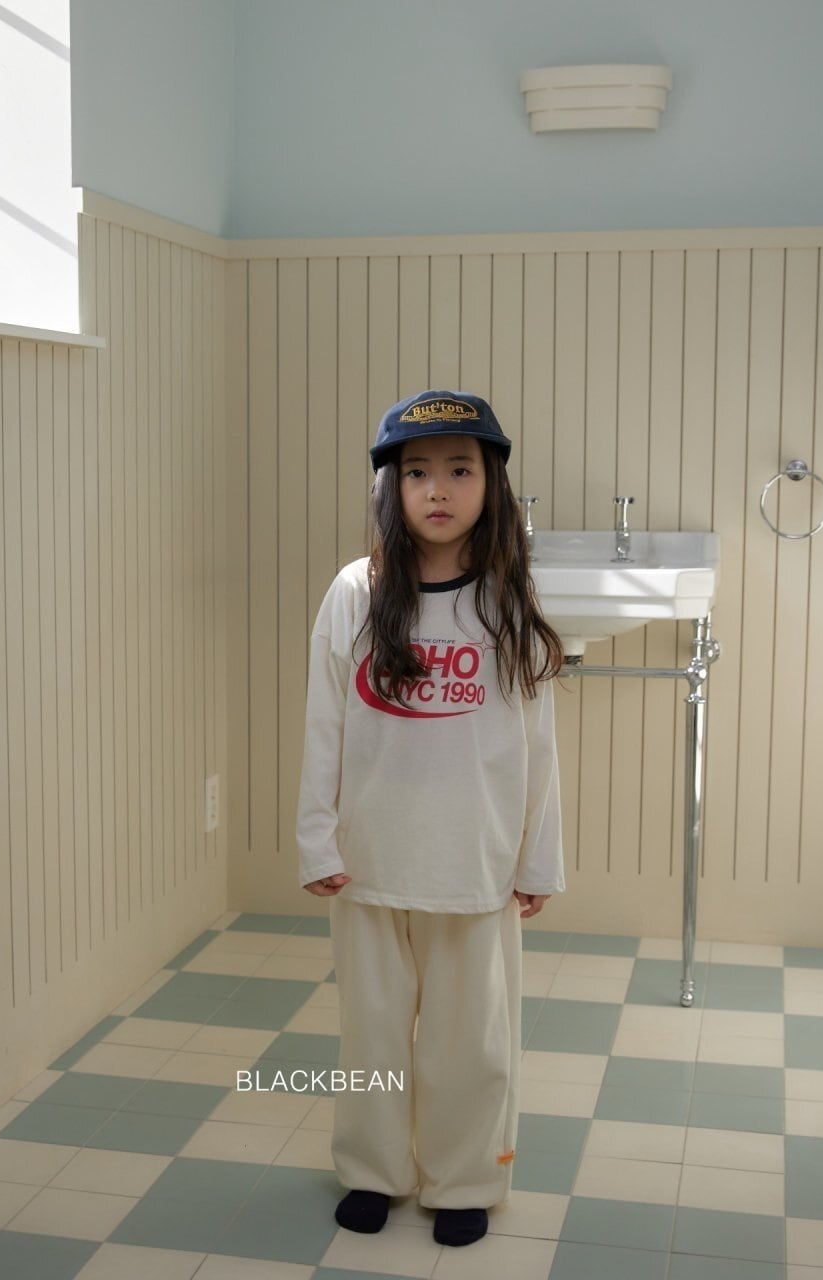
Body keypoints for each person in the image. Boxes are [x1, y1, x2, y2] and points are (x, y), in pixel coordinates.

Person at [295, 389, 566, 1248]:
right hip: (371, 859)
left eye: (459, 469)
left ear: (492, 483)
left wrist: (538, 859)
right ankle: (373, 1170)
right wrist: (315, 837)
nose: (438, 489)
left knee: (468, 1042)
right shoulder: (356, 591)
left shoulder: (506, 600)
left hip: (474, 861)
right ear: (391, 486)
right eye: (417, 473)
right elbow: (325, 722)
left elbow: (537, 744)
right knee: (371, 1032)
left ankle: (464, 1179)